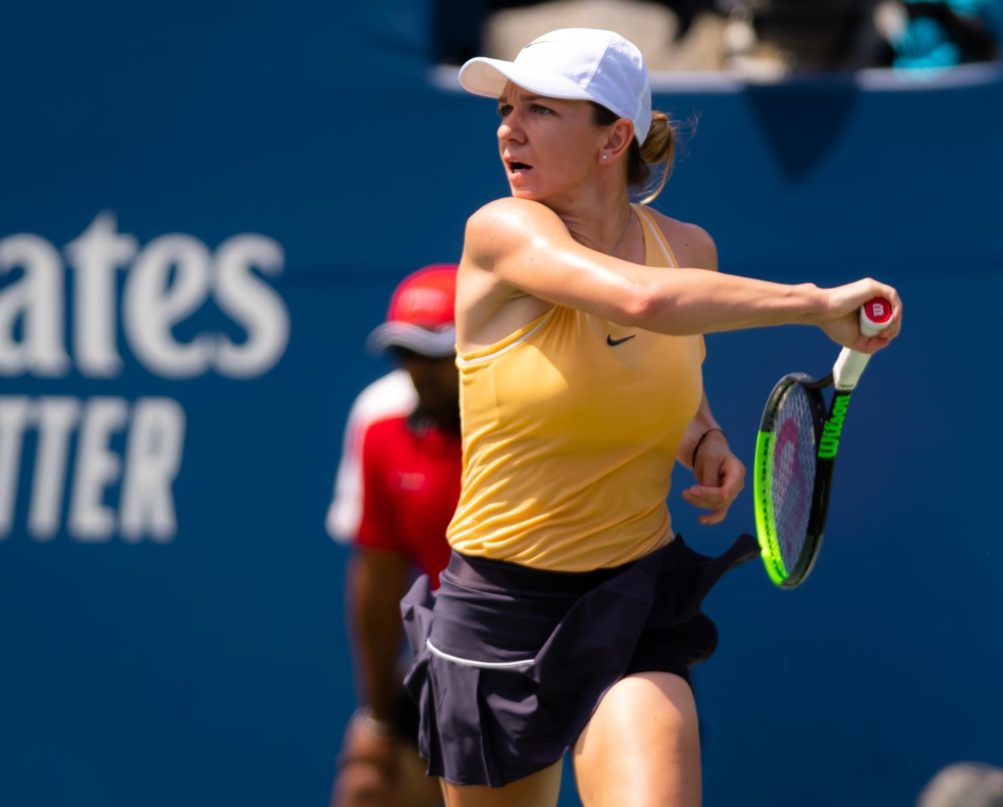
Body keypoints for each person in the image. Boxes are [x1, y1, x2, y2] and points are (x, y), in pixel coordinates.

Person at [400, 28, 903, 806]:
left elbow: (668, 372)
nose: (508, 127)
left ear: (615, 137)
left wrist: (703, 438)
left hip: (630, 594)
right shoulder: (501, 231)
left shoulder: (687, 250)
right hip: (500, 611)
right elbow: (640, 302)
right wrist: (814, 305)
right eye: (505, 108)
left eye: (539, 108)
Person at [327, 265, 461, 807]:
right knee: (366, 786)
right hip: (456, 655)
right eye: (406, 354)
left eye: (435, 355)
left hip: (578, 651)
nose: (417, 372)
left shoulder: (550, 414)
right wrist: (378, 717)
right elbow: (378, 576)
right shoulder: (381, 415)